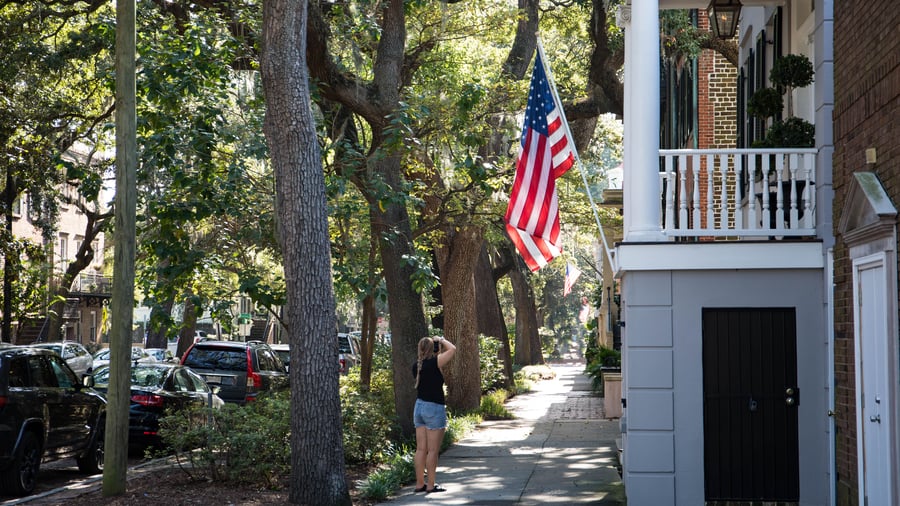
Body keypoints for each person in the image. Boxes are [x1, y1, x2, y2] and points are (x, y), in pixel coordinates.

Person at [412, 335, 456, 493]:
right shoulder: (434, 363)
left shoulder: (416, 366)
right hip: (434, 408)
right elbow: (453, 349)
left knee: (420, 449)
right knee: (432, 451)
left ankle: (419, 484)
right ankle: (430, 485)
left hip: (419, 407)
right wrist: (441, 339)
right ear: (433, 349)